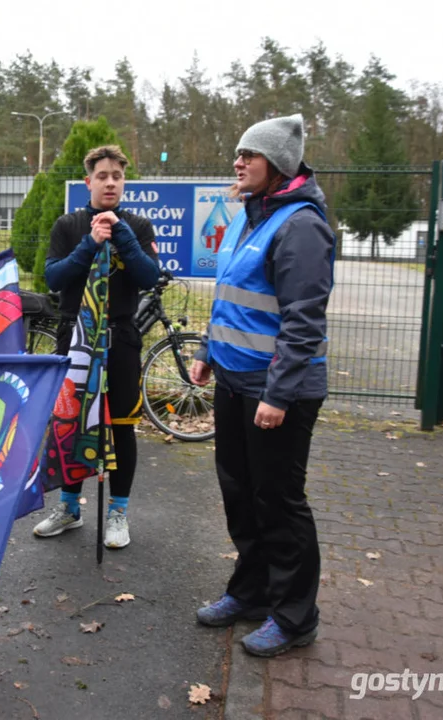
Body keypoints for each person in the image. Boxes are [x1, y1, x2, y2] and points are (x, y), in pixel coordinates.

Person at [190, 114, 335, 658]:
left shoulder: (301, 225)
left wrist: (277, 394)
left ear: (276, 165)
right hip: (233, 380)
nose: (238, 162)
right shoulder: (253, 216)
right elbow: (231, 295)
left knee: (278, 500)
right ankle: (250, 593)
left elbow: (303, 320)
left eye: (249, 155)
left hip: (278, 391)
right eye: (238, 153)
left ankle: (296, 616)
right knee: (240, 493)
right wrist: (208, 352)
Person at [32, 145, 160, 548]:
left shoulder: (137, 226)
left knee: (120, 427)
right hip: (76, 339)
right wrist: (89, 243)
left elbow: (148, 276)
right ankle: (69, 508)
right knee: (72, 423)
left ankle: (118, 512)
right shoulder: (68, 225)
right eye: (102, 175)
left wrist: (120, 234)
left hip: (120, 338)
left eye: (117, 177)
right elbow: (53, 277)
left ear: (124, 182)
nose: (110, 182)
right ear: (88, 181)